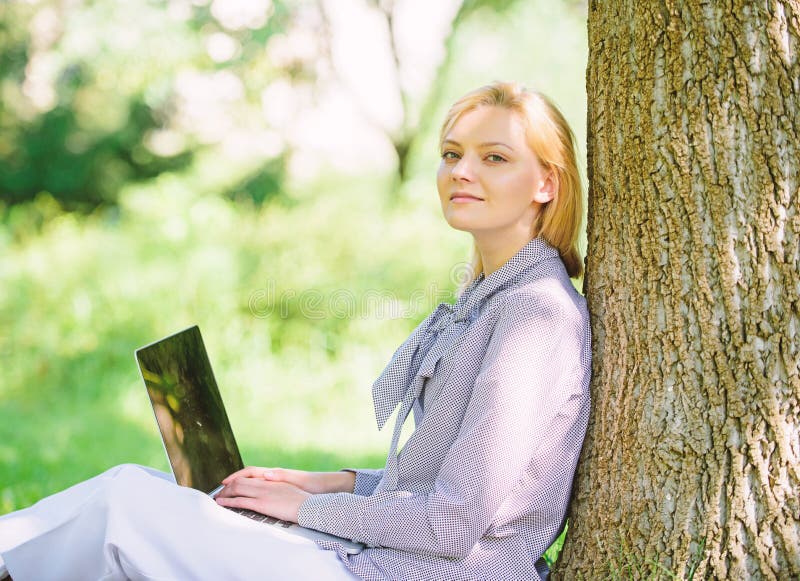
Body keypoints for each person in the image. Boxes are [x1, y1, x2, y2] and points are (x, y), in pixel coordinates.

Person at [0, 80, 591, 581]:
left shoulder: (533, 318)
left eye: (494, 157)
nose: (461, 171)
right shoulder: (485, 302)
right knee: (141, 487)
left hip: (408, 575)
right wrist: (318, 482)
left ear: (547, 183)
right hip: (376, 559)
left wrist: (305, 507)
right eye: (451, 153)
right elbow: (433, 483)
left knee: (126, 510)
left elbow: (454, 521)